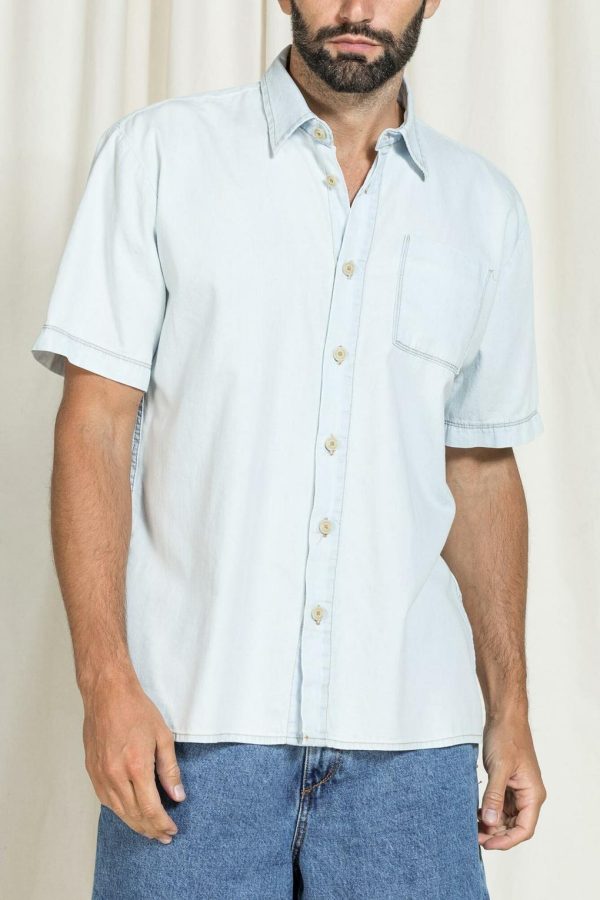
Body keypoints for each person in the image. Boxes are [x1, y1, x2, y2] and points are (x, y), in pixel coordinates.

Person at [31, 1, 548, 896]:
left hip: (412, 753)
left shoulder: (484, 208)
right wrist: (105, 682)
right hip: (190, 737)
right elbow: (95, 425)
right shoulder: (160, 156)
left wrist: (511, 707)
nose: (356, 10)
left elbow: (479, 466)